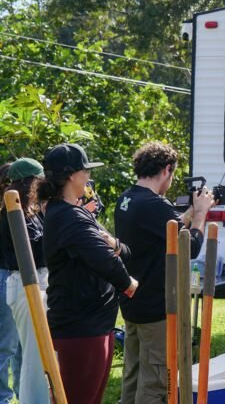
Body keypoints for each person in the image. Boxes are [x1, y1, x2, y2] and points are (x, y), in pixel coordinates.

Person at [114, 142, 215, 404]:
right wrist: (201, 215)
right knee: (156, 380)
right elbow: (189, 247)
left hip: (133, 301)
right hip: (156, 306)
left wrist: (191, 211)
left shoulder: (127, 198)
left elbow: (163, 227)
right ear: (167, 169)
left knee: (133, 375)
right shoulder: (154, 206)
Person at [38, 143, 138, 404]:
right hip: (79, 328)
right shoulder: (66, 216)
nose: (89, 177)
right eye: (85, 171)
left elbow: (121, 251)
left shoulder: (78, 213)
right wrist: (128, 283)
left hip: (96, 324)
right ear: (71, 175)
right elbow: (104, 260)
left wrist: (115, 245)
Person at [0, 158, 51, 403]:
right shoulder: (11, 211)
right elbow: (28, 249)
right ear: (30, 182)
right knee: (14, 348)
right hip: (17, 281)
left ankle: (25, 396)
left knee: (27, 351)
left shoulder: (31, 210)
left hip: (31, 282)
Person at [0, 162, 21, 404]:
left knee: (17, 346)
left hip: (11, 275)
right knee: (7, 346)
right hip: (6, 275)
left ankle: (19, 394)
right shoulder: (8, 210)